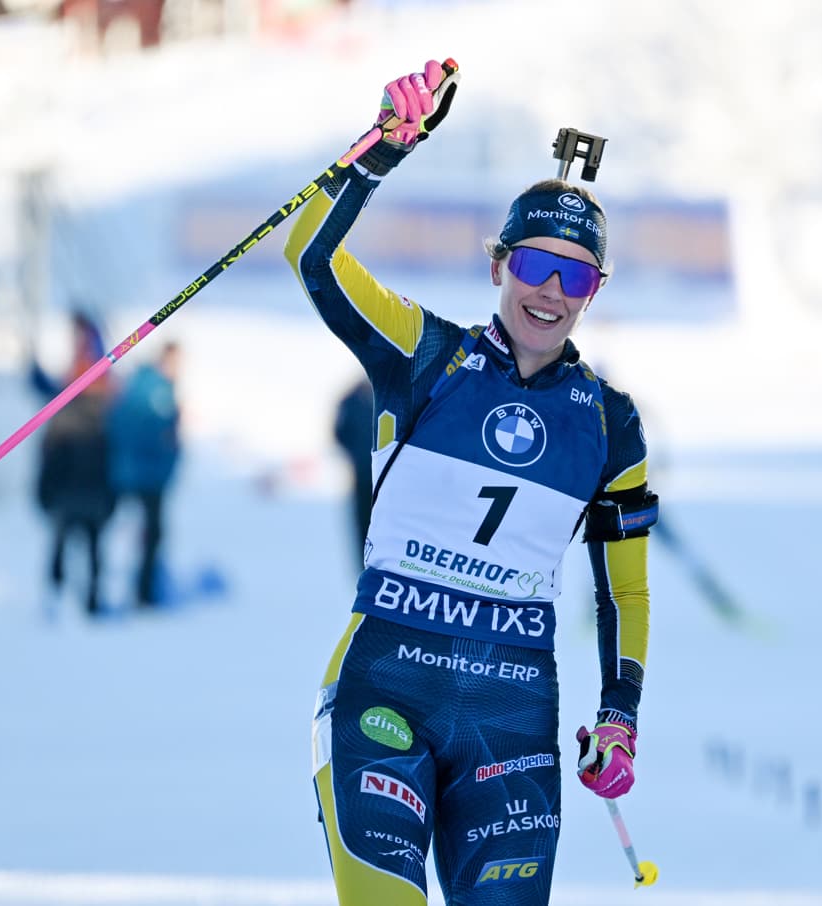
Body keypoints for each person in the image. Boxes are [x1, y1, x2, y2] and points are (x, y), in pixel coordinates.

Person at [284, 61, 658, 905]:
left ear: (595, 292)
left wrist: (620, 716)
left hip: (512, 724)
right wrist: (378, 152)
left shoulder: (611, 424)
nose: (550, 292)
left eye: (575, 276)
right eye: (535, 264)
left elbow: (623, 592)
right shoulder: (424, 355)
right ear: (499, 266)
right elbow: (311, 257)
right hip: (385, 690)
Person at [31, 309, 116, 618]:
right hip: (88, 496)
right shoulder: (103, 415)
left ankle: (68, 599)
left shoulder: (75, 413)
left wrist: (43, 492)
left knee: (73, 546)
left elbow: (50, 456)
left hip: (77, 495)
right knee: (79, 547)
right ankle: (73, 599)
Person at [107, 341, 182, 607]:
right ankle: (143, 593)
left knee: (136, 534)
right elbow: (148, 433)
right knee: (148, 535)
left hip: (131, 473)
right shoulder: (157, 390)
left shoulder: (139, 383)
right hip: (146, 476)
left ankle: (133, 589)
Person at [331, 375, 374, 568]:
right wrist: (357, 454)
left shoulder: (393, 396)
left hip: (385, 477)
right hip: (362, 475)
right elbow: (340, 433)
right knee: (363, 523)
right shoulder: (351, 400)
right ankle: (364, 566)